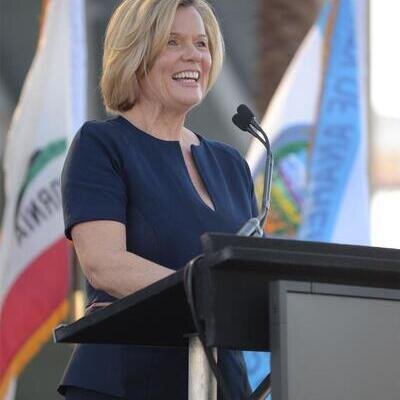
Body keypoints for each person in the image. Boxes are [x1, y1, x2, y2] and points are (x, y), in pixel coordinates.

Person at [59, 0, 258, 398]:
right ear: (135, 54)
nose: (193, 55)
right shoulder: (102, 146)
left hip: (219, 384)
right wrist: (206, 294)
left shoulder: (232, 164)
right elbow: (104, 265)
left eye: (201, 43)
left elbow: (248, 281)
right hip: (124, 384)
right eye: (172, 42)